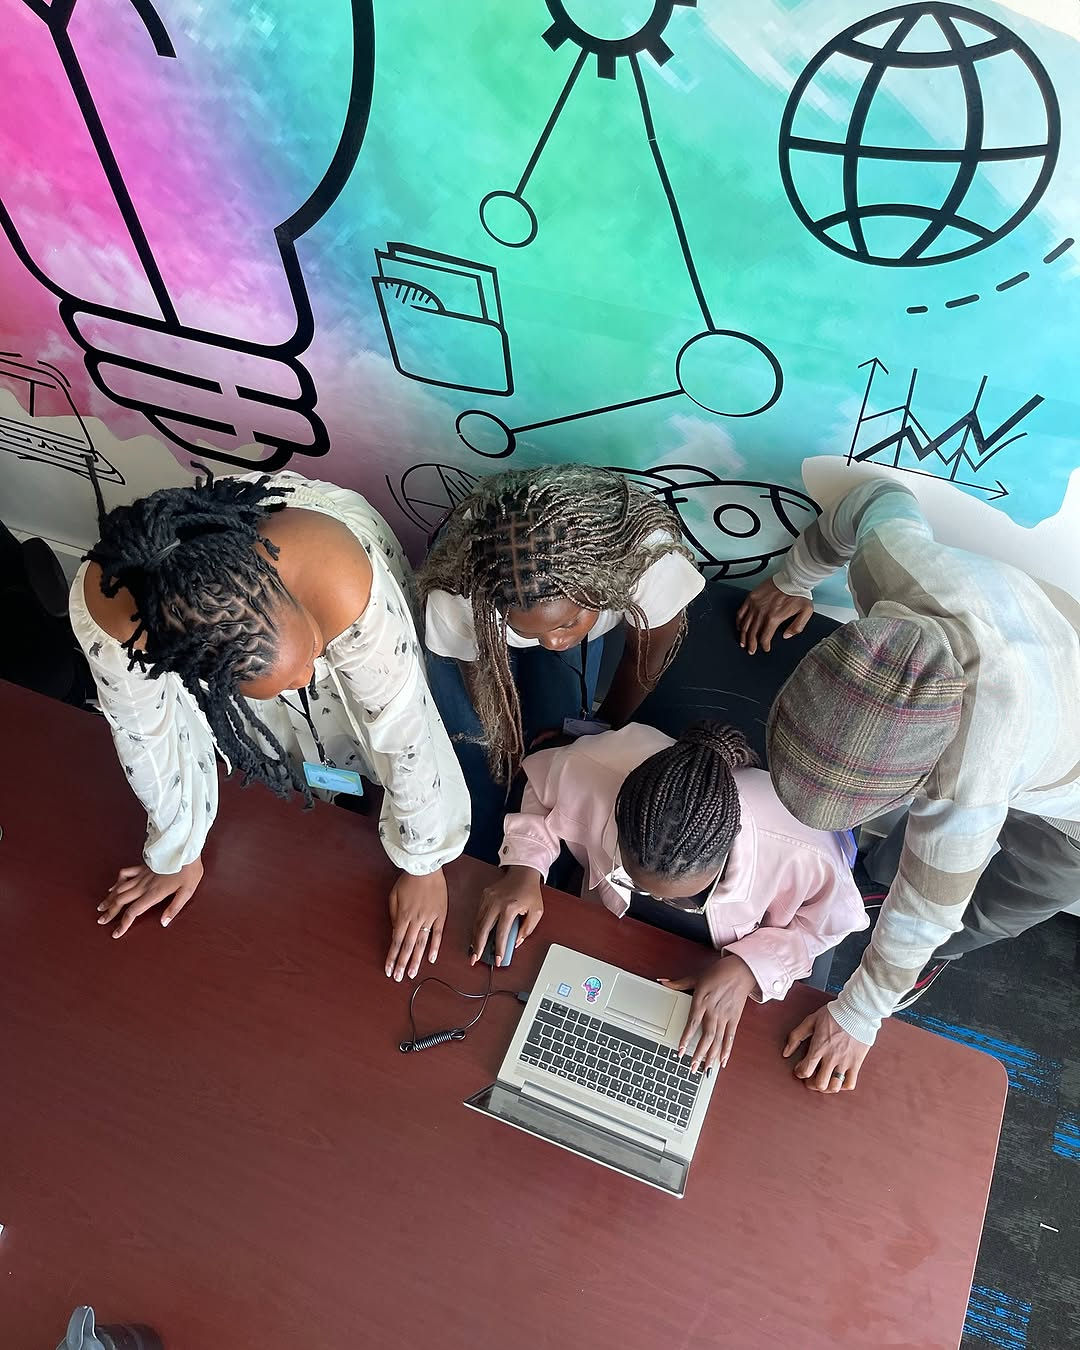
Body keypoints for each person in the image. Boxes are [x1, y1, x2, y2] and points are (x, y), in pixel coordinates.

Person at [737, 478, 1080, 1094]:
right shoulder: (895, 568)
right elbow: (875, 497)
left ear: (925, 779)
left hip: (1071, 802)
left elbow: (928, 909)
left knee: (1000, 904)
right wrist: (793, 579)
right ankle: (871, 892)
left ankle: (915, 965)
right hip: (1048, 651)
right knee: (898, 871)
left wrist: (858, 1015)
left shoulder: (969, 775)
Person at [71, 469, 469, 981]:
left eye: (312, 655)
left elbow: (403, 725)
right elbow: (147, 737)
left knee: (362, 720)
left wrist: (424, 862)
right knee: (284, 721)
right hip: (237, 643)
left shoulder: (345, 582)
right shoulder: (113, 627)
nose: (309, 677)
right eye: (287, 680)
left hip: (323, 578)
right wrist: (177, 850)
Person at [472, 721, 868, 1072]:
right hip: (612, 932)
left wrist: (749, 969)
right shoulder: (593, 767)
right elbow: (541, 793)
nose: (658, 901)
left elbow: (825, 928)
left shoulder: (801, 846)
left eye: (685, 896)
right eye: (634, 877)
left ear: (726, 850)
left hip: (719, 964)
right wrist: (524, 868)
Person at [419, 465, 705, 862]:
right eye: (535, 632)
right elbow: (477, 676)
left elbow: (645, 660)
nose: (553, 642)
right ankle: (472, 854)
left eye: (567, 623)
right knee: (473, 750)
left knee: (559, 741)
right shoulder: (461, 592)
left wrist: (604, 730)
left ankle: (533, 863)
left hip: (579, 575)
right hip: (476, 631)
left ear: (599, 583)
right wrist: (503, 742)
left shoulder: (644, 558)